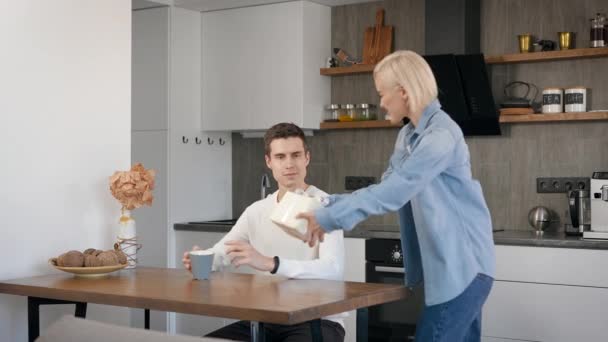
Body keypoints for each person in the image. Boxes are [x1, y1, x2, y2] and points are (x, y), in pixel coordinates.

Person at [298, 50, 495, 342]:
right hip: (450, 266)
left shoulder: (440, 135)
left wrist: (330, 218)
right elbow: (386, 186)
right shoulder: (408, 136)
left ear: (403, 92)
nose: (380, 102)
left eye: (382, 93)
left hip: (464, 266)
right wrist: (328, 204)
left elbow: (396, 191)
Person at [182, 122, 346, 342]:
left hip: (317, 321)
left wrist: (272, 263)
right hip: (264, 319)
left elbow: (333, 268)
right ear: (269, 161)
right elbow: (224, 251)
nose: (289, 164)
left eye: (295, 155)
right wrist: (202, 259)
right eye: (280, 157)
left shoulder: (327, 206)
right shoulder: (256, 211)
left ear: (307, 158)